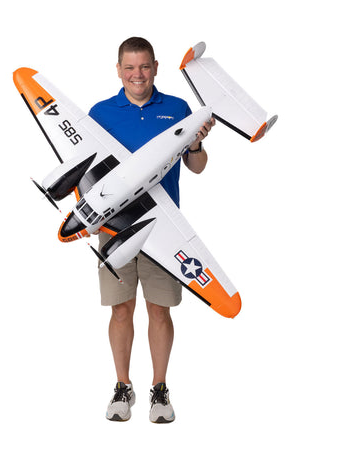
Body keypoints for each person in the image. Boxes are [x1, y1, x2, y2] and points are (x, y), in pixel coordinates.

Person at [89, 37, 215, 423]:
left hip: (163, 226)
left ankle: (159, 390)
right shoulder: (99, 112)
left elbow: (197, 167)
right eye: (129, 67)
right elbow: (87, 170)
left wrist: (196, 145)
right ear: (118, 70)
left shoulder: (177, 109)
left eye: (144, 66)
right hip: (114, 226)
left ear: (156, 67)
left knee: (160, 310)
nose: (137, 75)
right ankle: (122, 387)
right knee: (120, 309)